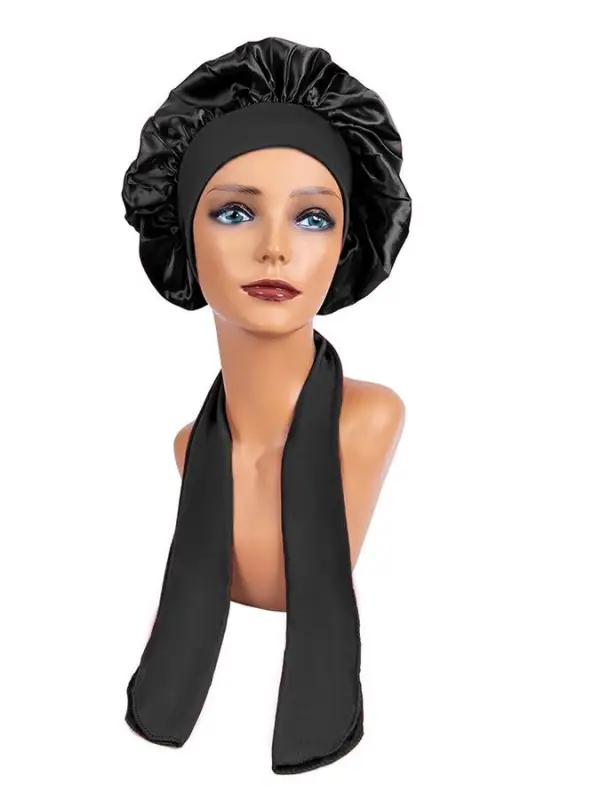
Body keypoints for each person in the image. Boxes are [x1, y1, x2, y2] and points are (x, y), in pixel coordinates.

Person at [121, 36, 412, 774]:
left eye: (313, 218)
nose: (276, 249)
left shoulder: (369, 424)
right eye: (234, 213)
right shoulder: (190, 450)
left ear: (347, 243)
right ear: (182, 235)